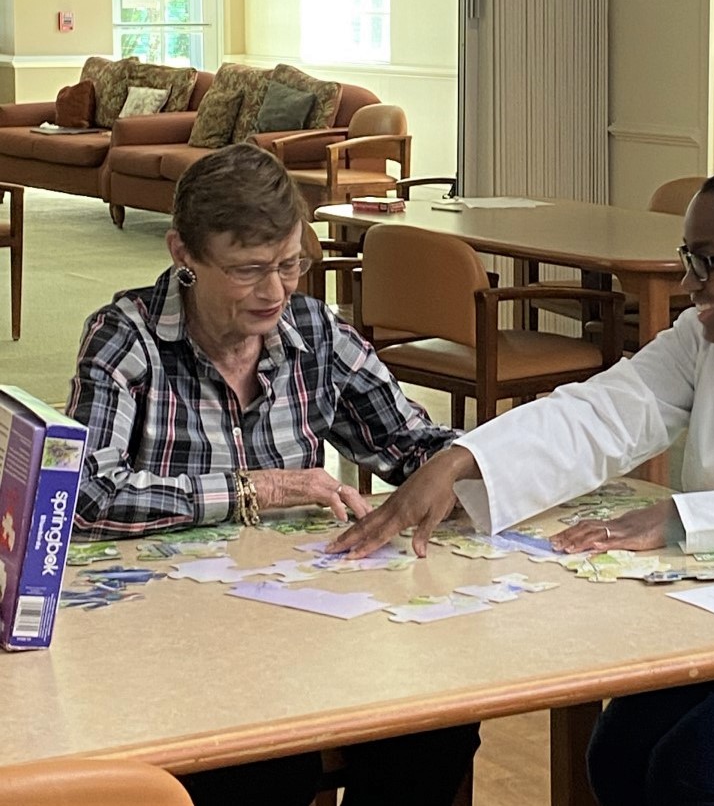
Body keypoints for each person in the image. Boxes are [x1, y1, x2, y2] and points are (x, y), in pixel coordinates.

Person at [328, 155, 714, 804]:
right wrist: (461, 462)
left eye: (708, 262)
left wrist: (680, 519)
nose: (690, 283)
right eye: (688, 257)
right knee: (618, 757)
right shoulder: (709, 336)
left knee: (698, 775)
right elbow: (606, 411)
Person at [65, 143, 479, 806]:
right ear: (183, 254)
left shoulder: (316, 331)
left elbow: (412, 442)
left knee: (435, 726)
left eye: (291, 265)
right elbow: (84, 499)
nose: (276, 292)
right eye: (249, 270)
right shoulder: (126, 337)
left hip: (305, 622)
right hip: (167, 637)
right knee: (260, 767)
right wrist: (258, 487)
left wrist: (472, 463)